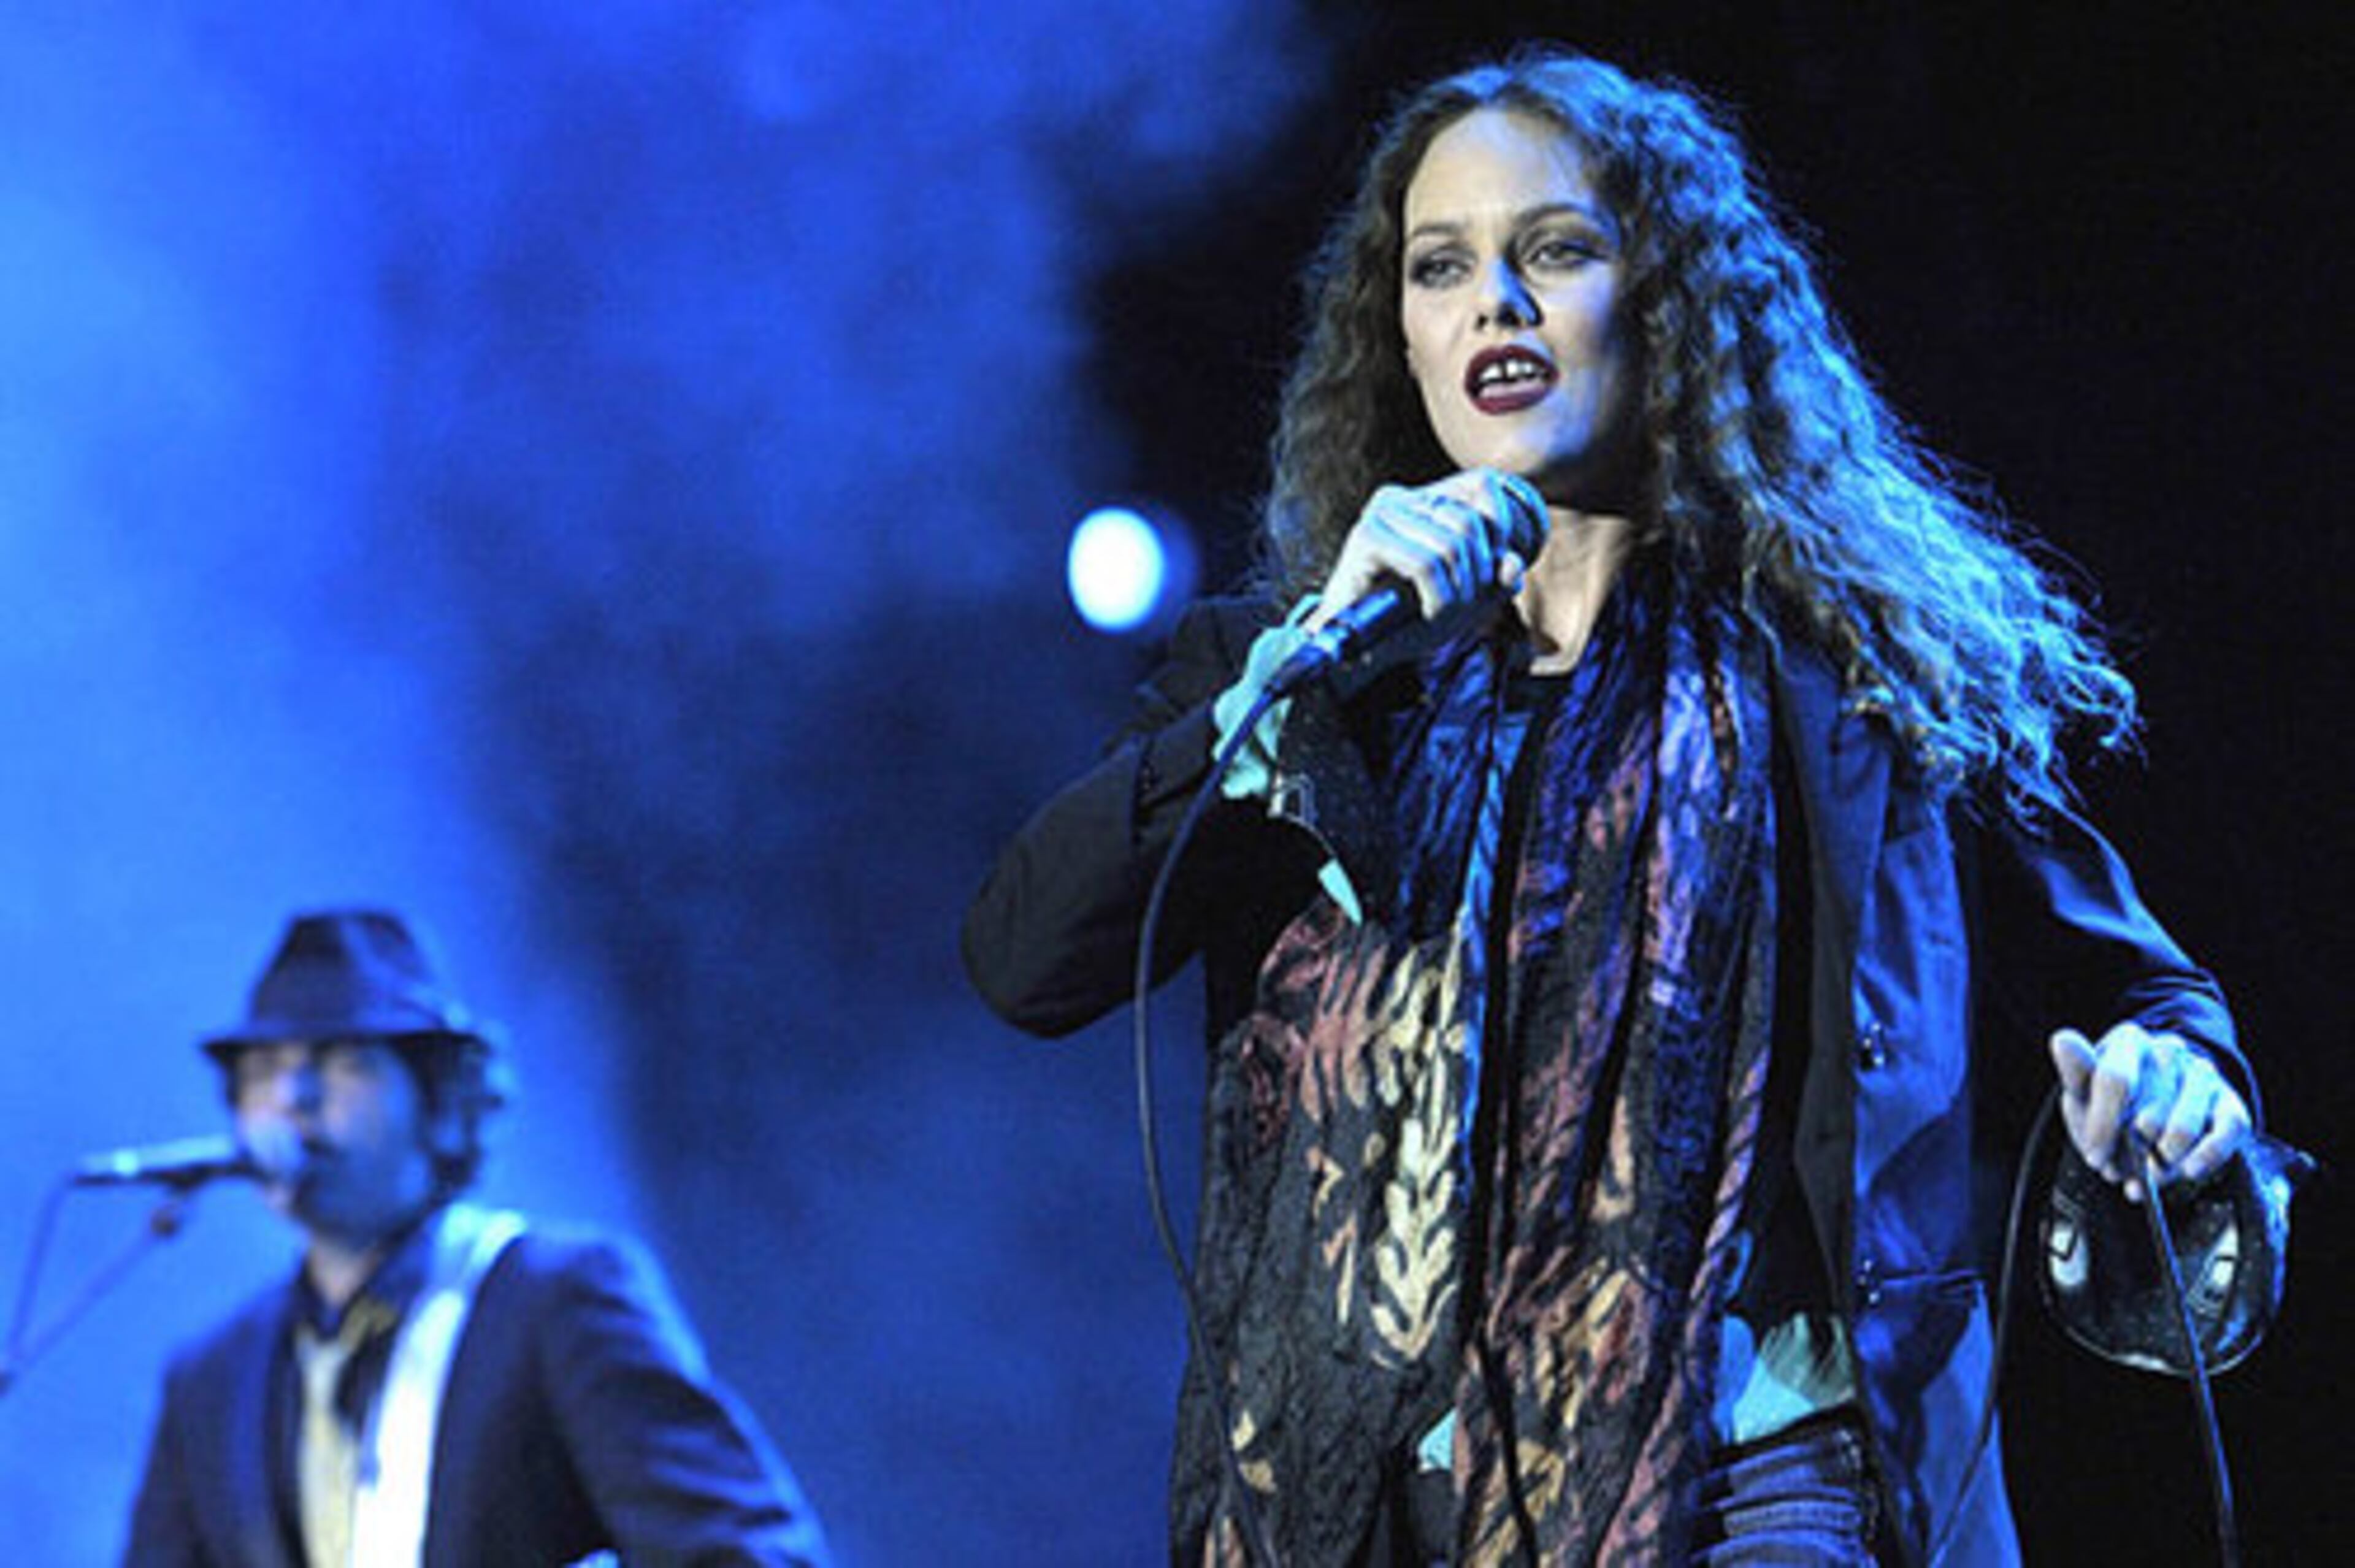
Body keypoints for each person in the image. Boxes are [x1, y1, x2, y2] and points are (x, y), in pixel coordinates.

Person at [961, 46, 2263, 1567]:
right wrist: (1301, 673)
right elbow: (1025, 957)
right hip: (1386, 1513)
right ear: (1399, 334)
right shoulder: (1304, 680)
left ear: (1665, 299)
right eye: (1441, 268)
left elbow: (2143, 996)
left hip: (1760, 1481)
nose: (1495, 305)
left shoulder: (1852, 682)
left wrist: (2172, 1086)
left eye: (1556, 250)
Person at [123, 908, 833, 1567]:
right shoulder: (211, 1376)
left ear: (440, 1103)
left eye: (343, 1061)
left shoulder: (557, 1299)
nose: (293, 1098)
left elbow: (748, 1554)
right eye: (264, 1071)